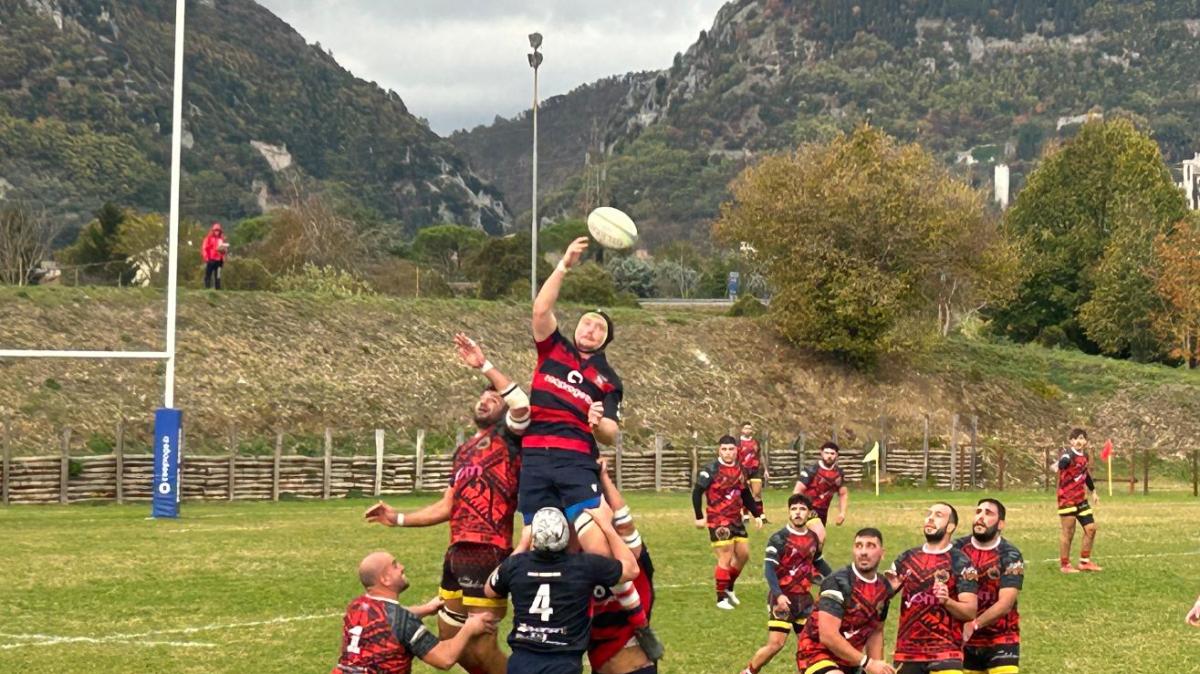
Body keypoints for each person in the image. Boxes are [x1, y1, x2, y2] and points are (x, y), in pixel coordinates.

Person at [364, 334, 528, 674]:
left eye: (493, 398)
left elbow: (522, 405)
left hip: (489, 549)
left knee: (481, 647)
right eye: (482, 398)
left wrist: (484, 366)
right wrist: (398, 518)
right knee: (453, 640)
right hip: (455, 552)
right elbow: (447, 506)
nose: (485, 401)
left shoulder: (510, 437)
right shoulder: (464, 451)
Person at [523, 236, 655, 646]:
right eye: (586, 321)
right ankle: (538, 621)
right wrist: (563, 265)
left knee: (598, 547)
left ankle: (632, 623)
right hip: (535, 460)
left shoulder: (608, 380)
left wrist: (598, 423)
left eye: (599, 326)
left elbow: (613, 432)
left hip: (575, 460)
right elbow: (541, 309)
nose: (591, 327)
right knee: (534, 542)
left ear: (605, 340)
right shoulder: (552, 349)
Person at [485, 505, 640, 674]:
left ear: (535, 537)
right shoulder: (584, 565)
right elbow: (632, 569)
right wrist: (607, 527)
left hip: (522, 662)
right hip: (563, 663)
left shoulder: (516, 565)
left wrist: (522, 545)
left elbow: (489, 589)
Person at [333, 551, 496, 674]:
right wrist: (470, 627)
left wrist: (426, 609)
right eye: (395, 565)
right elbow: (444, 659)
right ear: (385, 579)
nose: (402, 567)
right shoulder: (403, 622)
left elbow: (388, 619)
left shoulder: (356, 606)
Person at [886, 502, 978, 674]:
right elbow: (878, 601)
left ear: (950, 527)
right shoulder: (905, 558)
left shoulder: (961, 562)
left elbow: (970, 611)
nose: (930, 518)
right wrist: (887, 591)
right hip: (907, 654)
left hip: (946, 653)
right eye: (929, 514)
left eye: (938, 515)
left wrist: (947, 601)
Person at [588, 457, 659, 674]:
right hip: (600, 660)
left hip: (634, 664)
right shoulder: (579, 557)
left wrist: (604, 479)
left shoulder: (631, 555)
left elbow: (624, 523)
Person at [740, 494, 821, 674]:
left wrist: (835, 581)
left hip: (805, 601)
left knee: (810, 646)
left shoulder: (813, 538)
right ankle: (749, 671)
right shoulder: (779, 538)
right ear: (789, 513)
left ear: (809, 513)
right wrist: (778, 595)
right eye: (794, 509)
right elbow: (769, 569)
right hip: (782, 599)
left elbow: (819, 562)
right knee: (776, 644)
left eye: (802, 509)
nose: (797, 513)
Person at [795, 528, 895, 674]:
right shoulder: (837, 582)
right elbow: (828, 636)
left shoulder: (883, 587)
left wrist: (877, 665)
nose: (863, 552)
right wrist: (866, 662)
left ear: (882, 553)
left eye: (870, 546)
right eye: (859, 546)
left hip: (851, 659)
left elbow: (876, 631)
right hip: (816, 654)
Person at [953, 498, 1024, 674]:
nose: (981, 517)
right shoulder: (956, 550)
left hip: (1002, 637)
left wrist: (975, 624)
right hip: (962, 639)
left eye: (988, 513)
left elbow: (1006, 604)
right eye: (978, 512)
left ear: (1001, 524)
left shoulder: (1011, 555)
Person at [693, 435, 764, 610]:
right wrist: (699, 516)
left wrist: (757, 514)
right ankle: (720, 598)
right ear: (719, 450)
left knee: (743, 555)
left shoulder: (740, 469)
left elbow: (745, 493)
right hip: (718, 519)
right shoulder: (711, 469)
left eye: (731, 449)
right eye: (724, 449)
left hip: (736, 519)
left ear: (736, 450)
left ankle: (729, 587)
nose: (728, 452)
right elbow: (697, 492)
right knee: (725, 556)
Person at [793, 441, 849, 577]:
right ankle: (811, 570)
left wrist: (842, 512)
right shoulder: (812, 470)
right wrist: (797, 510)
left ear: (837, 456)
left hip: (823, 512)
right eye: (827, 453)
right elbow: (798, 490)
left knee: (812, 542)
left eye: (832, 453)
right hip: (809, 509)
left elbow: (843, 493)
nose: (829, 456)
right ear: (821, 453)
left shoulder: (838, 473)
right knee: (820, 535)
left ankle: (805, 565)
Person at [1055, 428, 1101, 573]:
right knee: (1068, 531)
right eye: (1076, 439)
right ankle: (1065, 565)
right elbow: (1063, 463)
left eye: (1082, 438)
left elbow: (1085, 474)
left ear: (1086, 442)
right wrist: (1061, 462)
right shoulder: (1068, 455)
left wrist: (1093, 492)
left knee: (1091, 529)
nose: (1079, 441)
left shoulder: (1084, 456)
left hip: (1081, 499)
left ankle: (1084, 562)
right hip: (1067, 498)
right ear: (1071, 441)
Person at [738, 422, 766, 523]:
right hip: (743, 470)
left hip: (755, 469)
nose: (748, 430)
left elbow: (761, 455)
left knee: (757, 493)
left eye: (750, 428)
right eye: (746, 428)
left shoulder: (756, 442)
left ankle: (761, 515)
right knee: (745, 494)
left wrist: (766, 469)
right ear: (742, 430)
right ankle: (746, 516)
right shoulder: (738, 442)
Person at [201, 222, 227, 290]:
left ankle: (218, 289)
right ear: (213, 231)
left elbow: (224, 250)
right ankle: (207, 289)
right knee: (208, 275)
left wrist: (224, 254)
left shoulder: (221, 239)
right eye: (216, 230)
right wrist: (206, 258)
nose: (217, 232)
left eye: (218, 230)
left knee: (218, 276)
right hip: (211, 259)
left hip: (219, 261)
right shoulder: (208, 238)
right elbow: (204, 248)